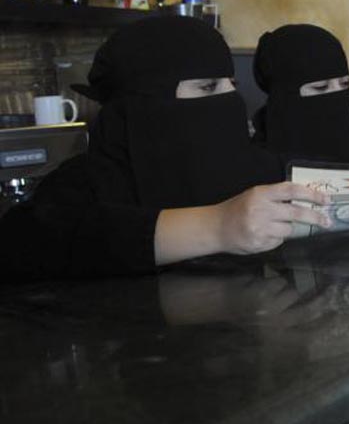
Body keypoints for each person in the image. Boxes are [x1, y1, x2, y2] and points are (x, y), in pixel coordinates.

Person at [0, 15, 330, 282]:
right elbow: (24, 243)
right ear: (147, 102)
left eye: (232, 85)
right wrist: (216, 227)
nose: (231, 100)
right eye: (208, 87)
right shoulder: (88, 183)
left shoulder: (254, 168)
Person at [252, 23, 349, 164]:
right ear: (284, 97)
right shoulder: (258, 171)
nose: (338, 96)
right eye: (321, 87)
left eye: (345, 84)